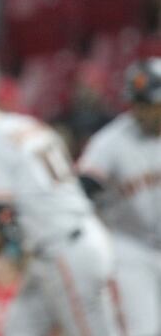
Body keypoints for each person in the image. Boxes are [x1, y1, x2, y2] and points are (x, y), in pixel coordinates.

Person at [0, 78, 122, 336]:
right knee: (20, 327)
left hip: (63, 249)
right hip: (70, 241)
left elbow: (3, 217)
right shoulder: (25, 124)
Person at [78, 57, 161, 336]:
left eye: (146, 104)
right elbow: (82, 189)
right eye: (135, 103)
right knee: (143, 330)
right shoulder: (111, 141)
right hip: (131, 247)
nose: (138, 111)